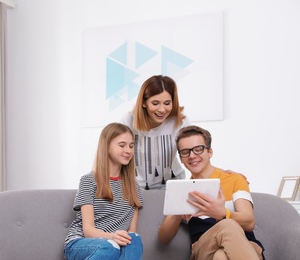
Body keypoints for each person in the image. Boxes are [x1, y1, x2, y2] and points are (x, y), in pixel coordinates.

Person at [158, 125, 265, 260]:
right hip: (204, 249)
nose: (192, 156)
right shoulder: (183, 190)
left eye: (198, 149)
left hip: (246, 246)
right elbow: (163, 238)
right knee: (227, 225)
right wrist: (176, 216)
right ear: (181, 158)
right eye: (185, 152)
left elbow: (249, 222)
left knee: (221, 256)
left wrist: (222, 213)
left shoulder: (235, 179)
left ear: (210, 152)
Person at [64, 123, 144, 260]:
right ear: (106, 146)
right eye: (122, 145)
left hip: (115, 246)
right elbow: (88, 231)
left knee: (134, 239)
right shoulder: (88, 180)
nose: (128, 150)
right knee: (109, 246)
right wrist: (112, 237)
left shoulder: (133, 187)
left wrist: (120, 240)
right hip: (81, 243)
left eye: (131, 146)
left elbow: (131, 233)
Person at [121, 75, 190, 190]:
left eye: (167, 103)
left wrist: (218, 172)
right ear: (144, 103)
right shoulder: (128, 121)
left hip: (173, 184)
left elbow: (194, 153)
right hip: (136, 187)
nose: (162, 109)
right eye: (155, 103)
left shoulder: (180, 120)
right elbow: (114, 156)